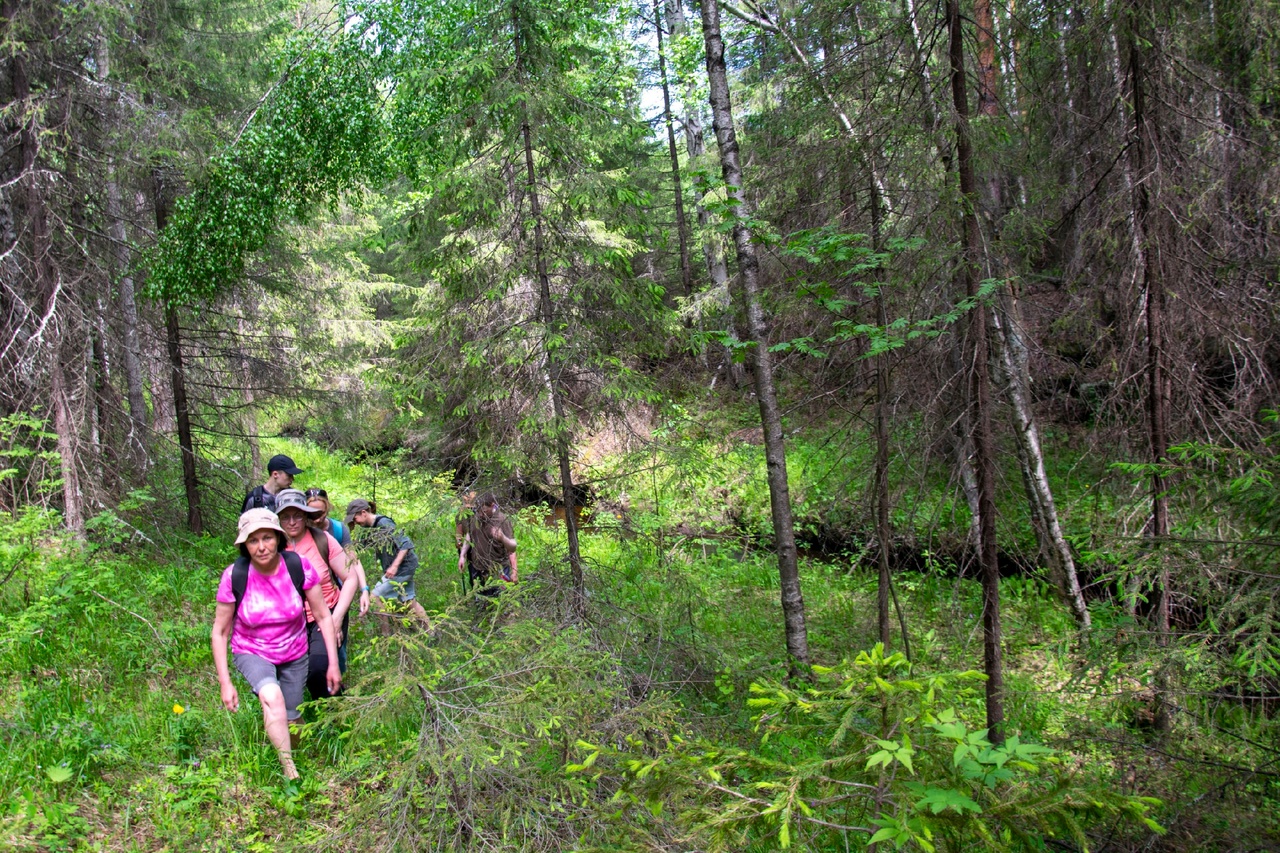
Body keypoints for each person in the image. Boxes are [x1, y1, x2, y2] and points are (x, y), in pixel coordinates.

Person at [211, 509, 340, 780]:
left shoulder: (298, 566)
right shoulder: (235, 575)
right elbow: (220, 632)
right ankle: (289, 772)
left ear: (278, 538)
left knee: (293, 717)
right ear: (244, 545)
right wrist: (225, 682)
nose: (261, 547)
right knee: (272, 698)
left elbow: (322, 615)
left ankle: (297, 754)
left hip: (294, 651)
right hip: (252, 651)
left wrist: (333, 663)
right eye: (253, 540)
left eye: (267, 538)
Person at [275, 489, 356, 699]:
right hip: (292, 619)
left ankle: (337, 713)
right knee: (297, 672)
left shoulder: (323, 539)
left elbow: (351, 578)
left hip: (327, 611)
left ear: (306, 516)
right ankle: (320, 711)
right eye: (285, 517)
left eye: (298, 516)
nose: (292, 522)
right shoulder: (273, 547)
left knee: (318, 669)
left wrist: (336, 618)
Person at [346, 498, 429, 628]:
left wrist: (394, 566)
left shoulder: (384, 523)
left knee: (373, 598)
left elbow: (406, 544)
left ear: (363, 512)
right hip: (403, 567)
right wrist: (348, 535)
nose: (355, 522)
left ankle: (386, 635)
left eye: (354, 518)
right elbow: (358, 547)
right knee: (409, 601)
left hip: (403, 568)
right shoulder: (370, 528)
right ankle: (431, 632)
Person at [459, 493, 517, 595]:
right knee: (481, 600)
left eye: (484, 511)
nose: (481, 514)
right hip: (478, 569)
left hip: (499, 570)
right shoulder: (475, 518)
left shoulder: (502, 520)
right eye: (479, 511)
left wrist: (514, 572)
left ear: (493, 506)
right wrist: (462, 556)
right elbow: (469, 535)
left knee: (499, 601)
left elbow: (512, 548)